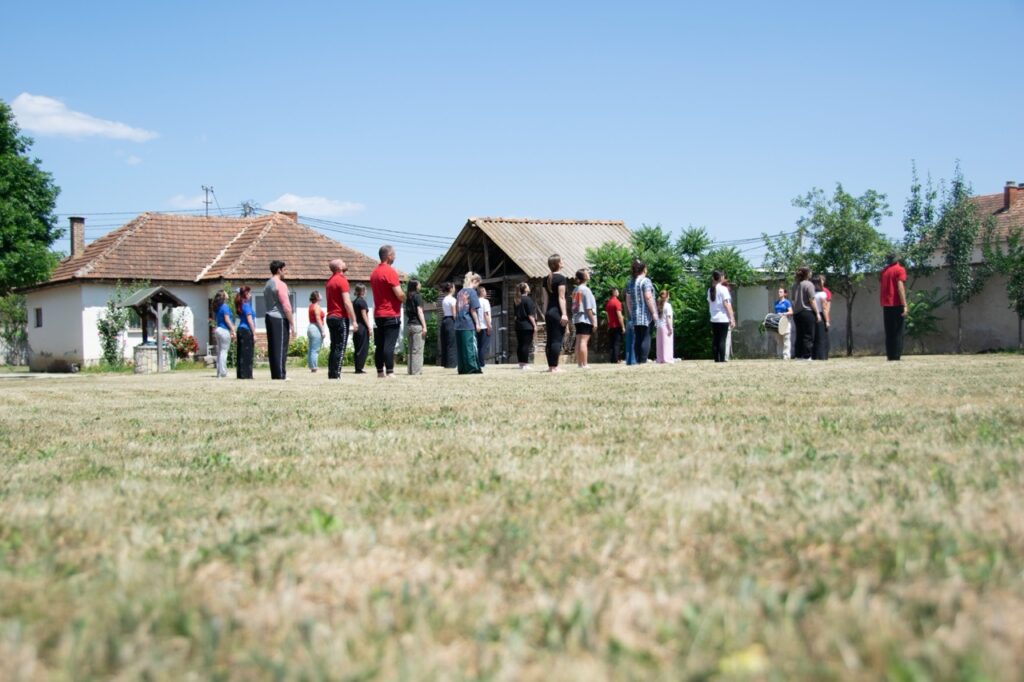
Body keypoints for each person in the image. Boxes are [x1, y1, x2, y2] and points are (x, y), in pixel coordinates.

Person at [369, 244, 405, 379]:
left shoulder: (374, 273)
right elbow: (399, 293)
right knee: (389, 344)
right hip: (391, 313)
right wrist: (405, 299)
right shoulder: (390, 271)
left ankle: (380, 371)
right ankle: (390, 371)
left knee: (380, 344)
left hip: (378, 314)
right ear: (389, 256)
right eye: (394, 254)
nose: (395, 257)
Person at [325, 259, 357, 379]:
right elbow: (347, 302)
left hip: (330, 316)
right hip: (340, 317)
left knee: (334, 346)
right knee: (340, 346)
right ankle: (336, 374)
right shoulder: (342, 280)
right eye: (343, 262)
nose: (345, 263)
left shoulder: (329, 281)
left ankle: (331, 373)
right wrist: (354, 320)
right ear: (339, 267)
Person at [264, 260, 295, 380]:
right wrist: (292, 323)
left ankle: (275, 374)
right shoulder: (280, 284)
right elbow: (286, 306)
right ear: (279, 270)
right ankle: (281, 374)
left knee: (273, 347)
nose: (285, 272)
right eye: (284, 270)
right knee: (281, 347)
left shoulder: (268, 284)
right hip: (279, 318)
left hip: (269, 317)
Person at [539, 254, 568, 372]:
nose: (563, 262)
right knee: (557, 340)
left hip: (549, 312)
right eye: (562, 260)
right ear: (558, 264)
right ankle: (555, 367)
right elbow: (561, 298)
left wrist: (545, 313)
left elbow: (545, 299)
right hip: (557, 312)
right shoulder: (561, 278)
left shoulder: (545, 279)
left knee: (550, 340)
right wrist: (564, 314)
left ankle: (551, 367)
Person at [626, 259, 659, 364]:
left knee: (638, 338)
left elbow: (628, 300)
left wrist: (631, 313)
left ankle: (638, 360)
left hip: (635, 315)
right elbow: (648, 297)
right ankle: (643, 360)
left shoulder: (630, 282)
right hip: (646, 315)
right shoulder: (646, 281)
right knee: (646, 337)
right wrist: (654, 313)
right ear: (644, 269)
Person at [880, 252, 908, 361]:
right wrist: (904, 304)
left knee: (889, 332)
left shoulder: (884, 271)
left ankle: (890, 356)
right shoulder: (900, 269)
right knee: (898, 331)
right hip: (896, 303)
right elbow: (900, 287)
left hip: (886, 304)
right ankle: (896, 356)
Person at [455, 272, 482, 374]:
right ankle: (473, 368)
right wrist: (477, 323)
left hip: (458, 324)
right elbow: (473, 310)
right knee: (470, 347)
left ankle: (462, 368)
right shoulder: (472, 292)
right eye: (477, 284)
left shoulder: (459, 292)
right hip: (468, 323)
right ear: (474, 281)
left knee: (461, 348)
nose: (477, 287)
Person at [790, 266, 819, 360]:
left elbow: (793, 301)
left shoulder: (795, 285)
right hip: (807, 312)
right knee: (808, 335)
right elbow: (812, 300)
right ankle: (807, 356)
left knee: (799, 335)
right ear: (807, 274)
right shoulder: (809, 284)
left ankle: (798, 355)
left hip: (797, 313)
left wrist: (795, 310)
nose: (811, 273)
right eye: (810, 272)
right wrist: (817, 313)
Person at [571, 269, 598, 369]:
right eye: (587, 273)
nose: (589, 274)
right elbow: (588, 308)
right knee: (584, 341)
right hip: (585, 318)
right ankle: (585, 364)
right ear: (584, 277)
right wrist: (594, 321)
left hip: (577, 318)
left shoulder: (575, 289)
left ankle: (579, 364)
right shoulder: (586, 290)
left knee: (579, 341)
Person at [707, 270, 735, 363]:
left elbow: (710, 303)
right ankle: (722, 359)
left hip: (713, 318)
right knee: (722, 340)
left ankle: (716, 359)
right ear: (721, 278)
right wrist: (732, 318)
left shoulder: (710, 290)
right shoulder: (723, 289)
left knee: (715, 339)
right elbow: (726, 304)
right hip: (723, 318)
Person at [404, 279, 427, 375]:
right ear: (416, 286)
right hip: (417, 325)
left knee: (410, 350)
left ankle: (410, 370)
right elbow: (420, 311)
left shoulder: (408, 298)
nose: (420, 285)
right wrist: (424, 326)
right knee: (417, 349)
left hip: (409, 325)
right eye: (419, 284)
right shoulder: (418, 296)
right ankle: (416, 371)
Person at [212, 290, 236, 378]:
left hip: (218, 329)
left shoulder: (218, 307)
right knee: (224, 351)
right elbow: (227, 319)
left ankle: (219, 372)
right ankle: (223, 372)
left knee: (220, 352)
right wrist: (233, 330)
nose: (227, 294)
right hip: (224, 330)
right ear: (224, 296)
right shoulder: (225, 306)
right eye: (226, 293)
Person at [513, 282, 537, 369]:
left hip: (518, 325)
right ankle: (525, 364)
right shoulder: (528, 300)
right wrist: (534, 325)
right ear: (525, 289)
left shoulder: (517, 300)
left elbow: (515, 315)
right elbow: (530, 315)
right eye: (527, 286)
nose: (529, 287)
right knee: (525, 345)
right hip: (527, 325)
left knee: (520, 344)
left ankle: (520, 363)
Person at [234, 286, 255, 379]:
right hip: (246, 330)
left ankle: (241, 374)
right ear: (245, 294)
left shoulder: (241, 304)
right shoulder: (246, 305)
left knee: (241, 353)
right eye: (249, 293)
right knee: (247, 353)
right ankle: (247, 374)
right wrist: (254, 333)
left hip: (240, 329)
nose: (250, 295)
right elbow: (250, 320)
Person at [352, 283, 372, 374]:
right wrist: (369, 327)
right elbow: (364, 315)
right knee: (363, 348)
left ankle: (357, 367)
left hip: (356, 326)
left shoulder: (355, 302)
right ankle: (359, 368)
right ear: (362, 291)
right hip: (362, 327)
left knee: (357, 347)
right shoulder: (362, 302)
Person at [811, 275, 830, 360]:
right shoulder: (822, 294)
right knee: (822, 336)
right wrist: (827, 321)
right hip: (821, 315)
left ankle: (814, 355)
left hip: (813, 314)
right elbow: (824, 308)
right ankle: (822, 356)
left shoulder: (812, 294)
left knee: (814, 336)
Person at [439, 282, 457, 368]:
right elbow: (454, 313)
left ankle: (445, 362)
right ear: (451, 289)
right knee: (452, 342)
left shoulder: (444, 299)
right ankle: (451, 363)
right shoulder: (452, 300)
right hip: (451, 320)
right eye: (454, 287)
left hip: (445, 320)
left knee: (445, 342)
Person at [307, 291, 326, 372]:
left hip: (311, 327)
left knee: (311, 348)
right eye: (319, 294)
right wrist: (322, 331)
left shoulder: (311, 306)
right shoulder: (317, 306)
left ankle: (311, 366)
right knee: (315, 349)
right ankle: (314, 367)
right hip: (316, 328)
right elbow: (318, 319)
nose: (321, 295)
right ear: (317, 297)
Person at [773, 286, 793, 360]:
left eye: (781, 292)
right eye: (778, 292)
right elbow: (775, 312)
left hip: (785, 321)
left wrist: (784, 313)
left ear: (785, 294)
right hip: (778, 322)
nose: (779, 293)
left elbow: (791, 312)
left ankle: (786, 355)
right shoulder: (776, 303)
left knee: (786, 339)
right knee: (779, 339)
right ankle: (779, 354)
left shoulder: (787, 302)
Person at [605, 287, 624, 363]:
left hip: (611, 326)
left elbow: (607, 316)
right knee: (617, 343)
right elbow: (619, 316)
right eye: (617, 291)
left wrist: (608, 324)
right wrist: (623, 326)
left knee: (612, 343)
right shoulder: (617, 302)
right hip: (617, 325)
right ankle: (616, 359)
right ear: (614, 293)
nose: (618, 292)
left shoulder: (608, 303)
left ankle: (612, 359)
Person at [476, 284, 492, 369]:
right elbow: (486, 314)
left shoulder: (475, 301)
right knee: (483, 346)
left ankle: (477, 362)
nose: (486, 292)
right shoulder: (485, 301)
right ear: (482, 292)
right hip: (484, 326)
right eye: (485, 291)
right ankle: (481, 363)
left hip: (477, 326)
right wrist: (489, 326)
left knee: (478, 346)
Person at [656, 289, 674, 364]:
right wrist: (670, 328)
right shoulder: (668, 305)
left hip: (659, 326)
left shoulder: (658, 305)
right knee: (667, 344)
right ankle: (667, 359)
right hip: (665, 326)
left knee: (660, 344)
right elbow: (668, 318)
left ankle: (660, 359)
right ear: (666, 297)